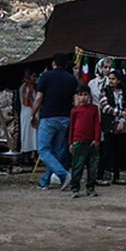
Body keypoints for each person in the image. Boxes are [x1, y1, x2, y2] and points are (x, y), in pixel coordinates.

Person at [35, 54, 77, 191]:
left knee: (43, 150)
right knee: (56, 151)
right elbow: (75, 102)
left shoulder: (45, 76)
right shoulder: (71, 79)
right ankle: (45, 181)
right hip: (65, 118)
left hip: (48, 117)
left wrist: (32, 114)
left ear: (53, 63)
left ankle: (63, 174)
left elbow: (39, 97)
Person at [97, 70, 126, 185]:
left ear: (119, 80)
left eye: (113, 79)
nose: (111, 81)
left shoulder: (125, 92)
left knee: (119, 152)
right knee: (107, 151)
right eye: (110, 79)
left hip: (122, 125)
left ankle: (116, 176)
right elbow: (105, 107)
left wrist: (122, 119)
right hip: (110, 125)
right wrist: (120, 113)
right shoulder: (104, 91)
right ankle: (99, 177)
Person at [68, 83, 101, 198]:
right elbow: (71, 127)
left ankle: (90, 188)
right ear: (77, 97)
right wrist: (71, 143)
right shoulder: (74, 111)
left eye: (85, 95)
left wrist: (97, 139)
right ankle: (75, 188)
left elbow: (97, 125)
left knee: (92, 168)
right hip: (78, 142)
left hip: (91, 142)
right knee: (77, 167)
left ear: (89, 96)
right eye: (80, 95)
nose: (83, 98)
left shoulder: (94, 109)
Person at [18, 71, 38, 158]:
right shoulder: (26, 88)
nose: (35, 79)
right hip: (28, 112)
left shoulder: (32, 87)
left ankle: (32, 154)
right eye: (33, 76)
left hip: (31, 112)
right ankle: (27, 155)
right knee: (28, 135)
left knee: (32, 135)